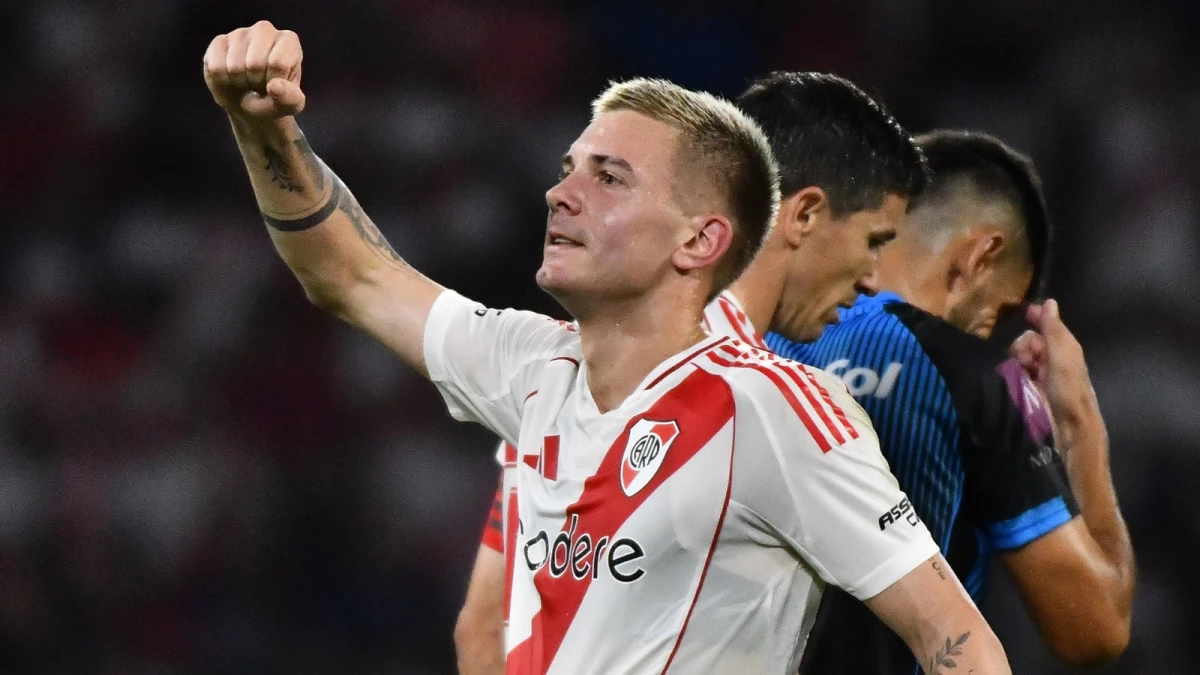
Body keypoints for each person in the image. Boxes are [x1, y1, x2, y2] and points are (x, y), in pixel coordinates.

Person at [203, 23, 1011, 674]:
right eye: (569, 168)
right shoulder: (532, 365)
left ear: (700, 239)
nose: (562, 192)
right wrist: (260, 124)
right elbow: (353, 275)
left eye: (609, 177)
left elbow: (961, 644)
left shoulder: (774, 410)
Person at [456, 70, 930, 675]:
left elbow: (488, 624)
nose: (872, 278)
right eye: (873, 241)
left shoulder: (595, 354)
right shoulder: (748, 396)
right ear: (805, 214)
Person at [761, 130, 1136, 673]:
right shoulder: (975, 376)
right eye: (1000, 312)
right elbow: (1094, 631)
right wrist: (1081, 425)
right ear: (980, 255)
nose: (991, 334)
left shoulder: (748, 341)